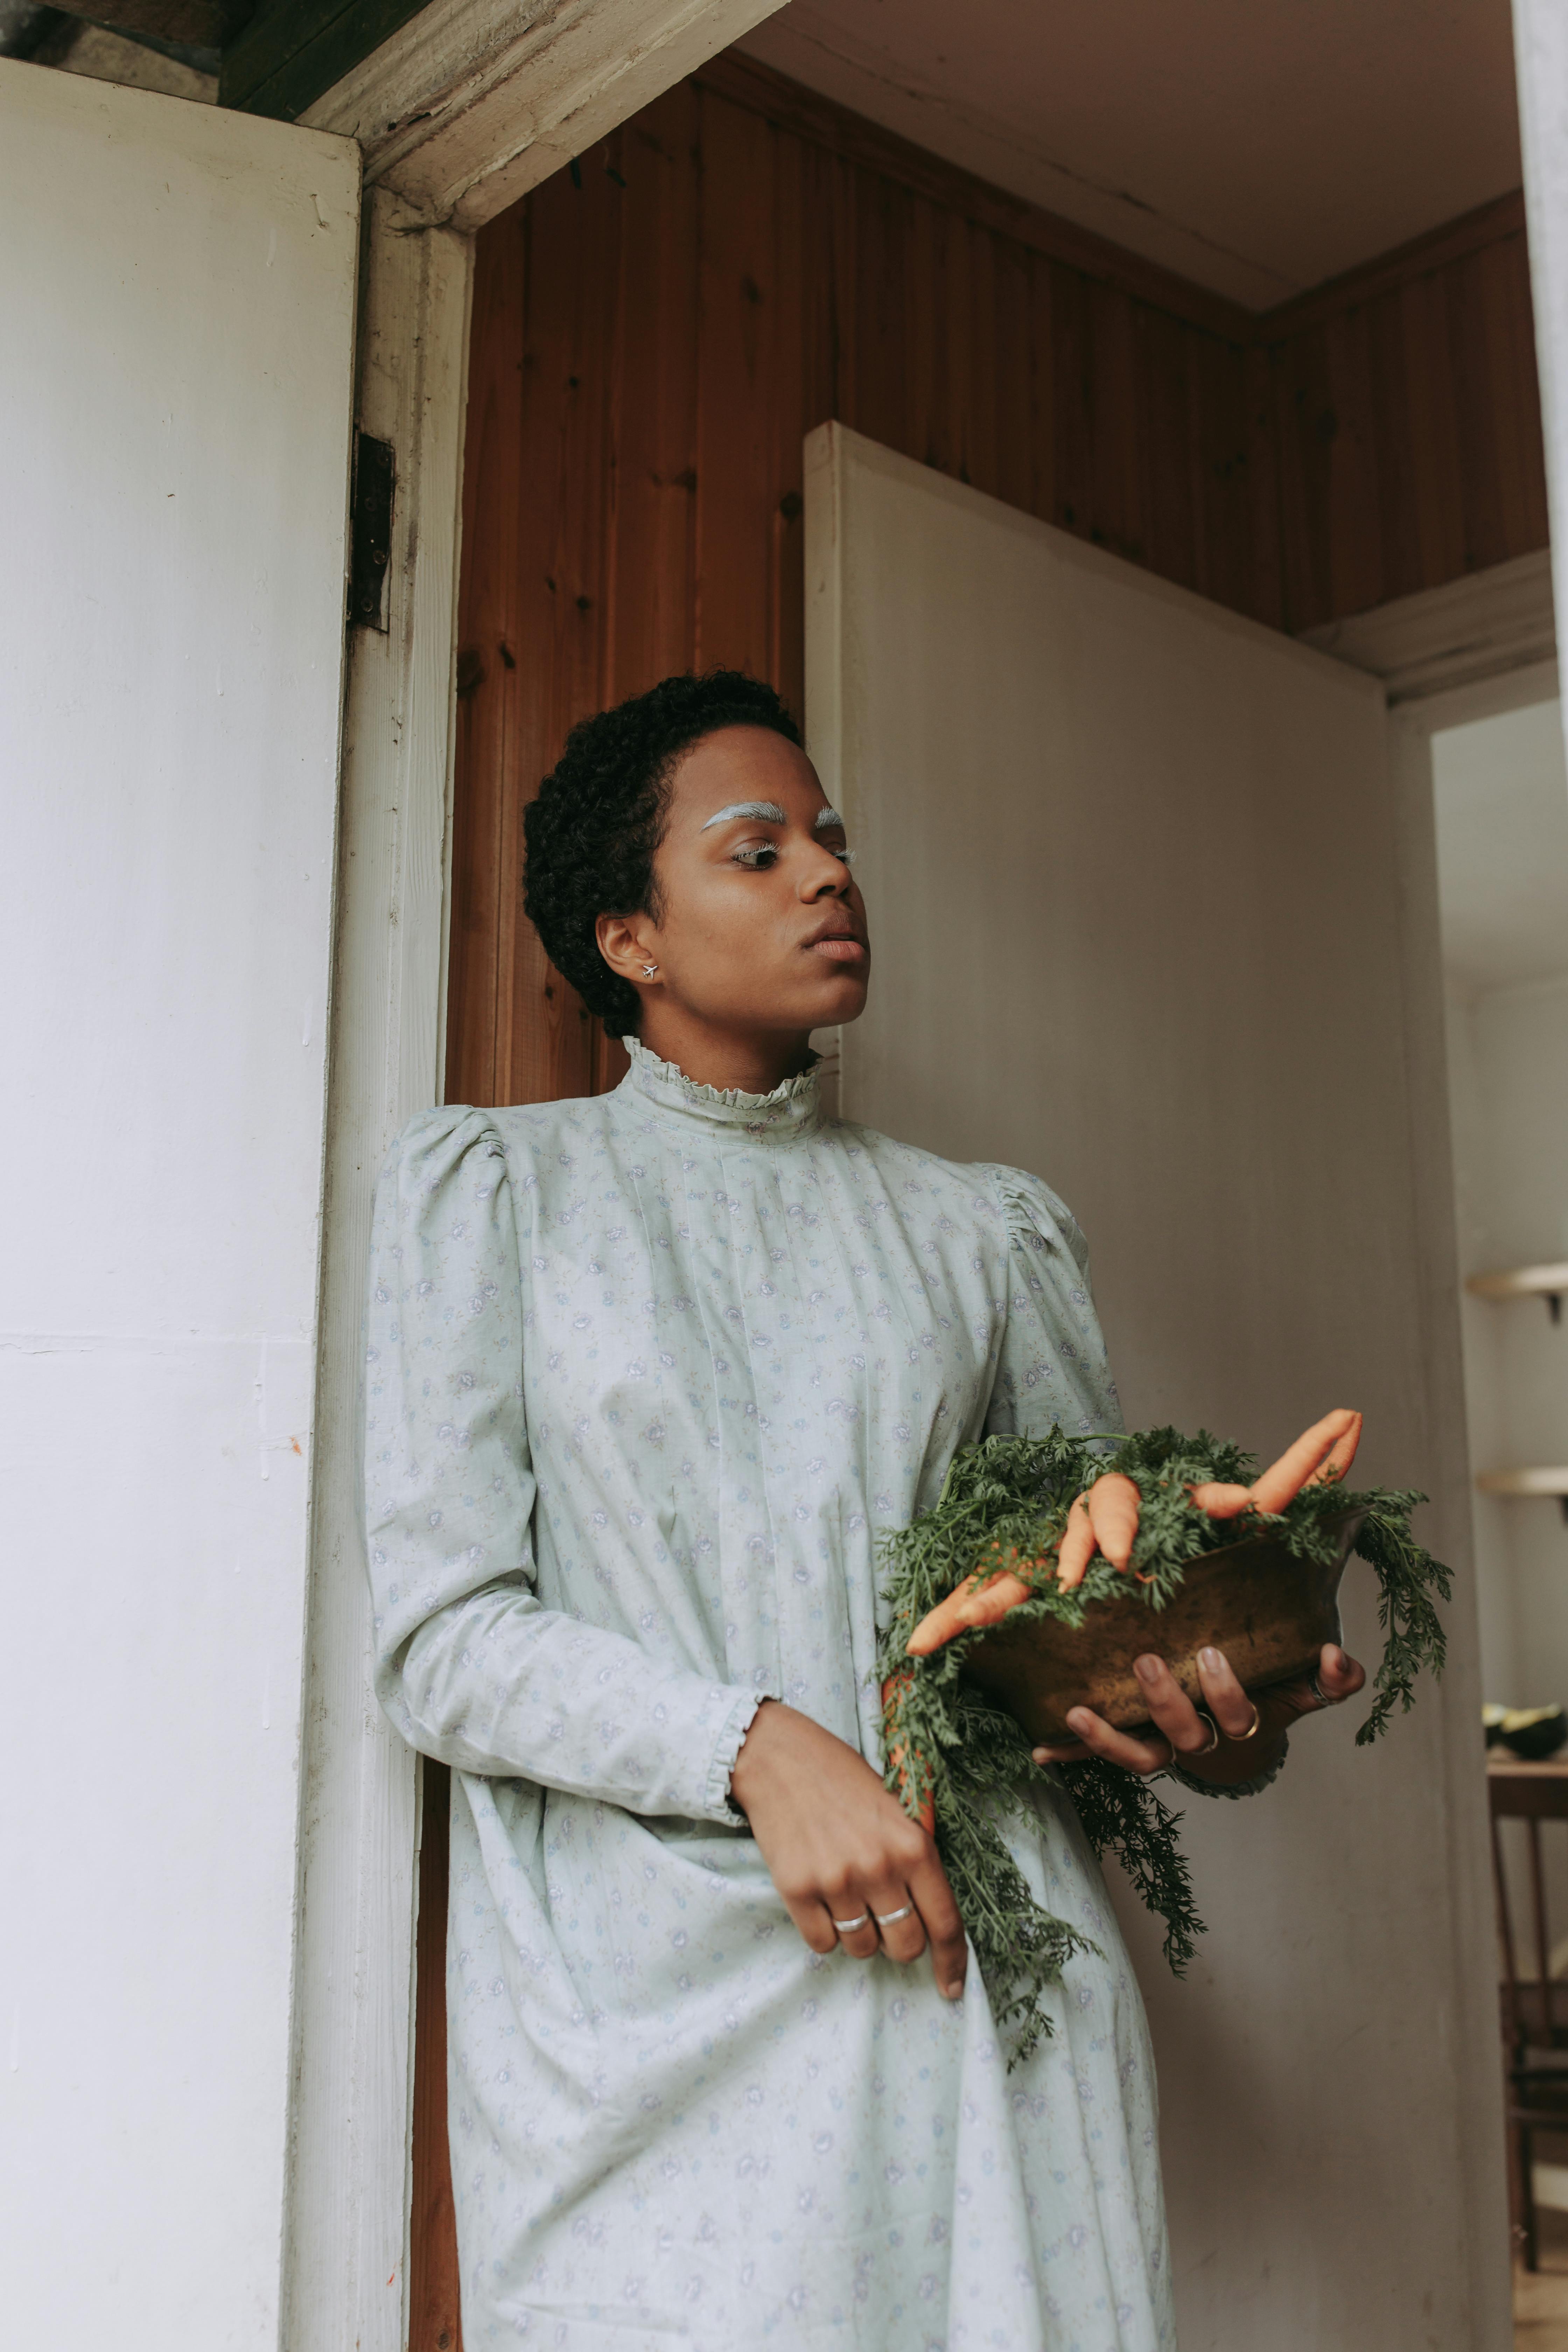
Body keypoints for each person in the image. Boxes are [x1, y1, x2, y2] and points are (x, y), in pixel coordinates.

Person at [362, 671, 1365, 2349]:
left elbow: (1070, 1616)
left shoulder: (983, 1233)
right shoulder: (500, 1199)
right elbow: (444, 1640)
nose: (829, 873)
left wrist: (1206, 1698)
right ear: (629, 937)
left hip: (973, 1986)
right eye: (756, 851)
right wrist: (754, 1744)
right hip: (640, 2022)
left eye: (829, 838)